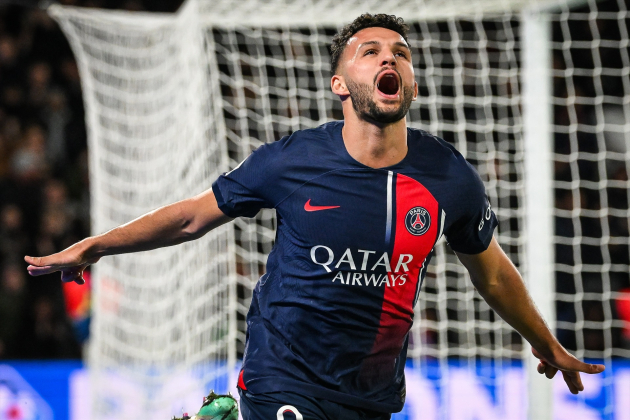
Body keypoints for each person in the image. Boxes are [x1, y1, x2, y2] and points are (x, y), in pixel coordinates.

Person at [25, 14, 604, 420]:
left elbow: (493, 272)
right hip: (284, 376)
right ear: (340, 84)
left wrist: (544, 342)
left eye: (401, 53)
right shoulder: (293, 160)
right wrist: (98, 246)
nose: (389, 58)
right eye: (371, 51)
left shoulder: (449, 177)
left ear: (412, 82)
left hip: (371, 397)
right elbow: (190, 218)